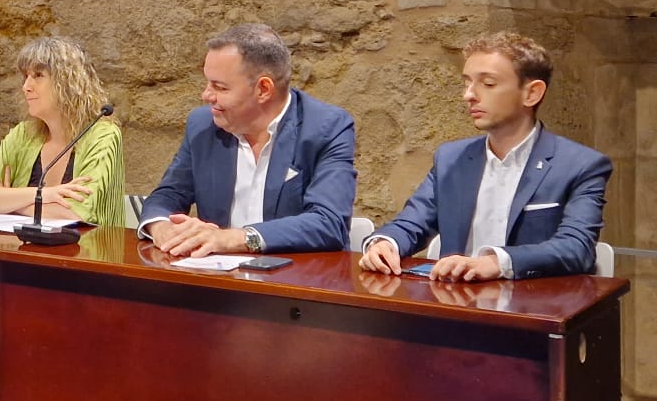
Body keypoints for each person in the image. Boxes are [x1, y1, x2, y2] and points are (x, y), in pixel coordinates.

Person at [360, 31, 611, 281]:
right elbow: (412, 223)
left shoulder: (581, 165)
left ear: (532, 93)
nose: (468, 95)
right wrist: (385, 243)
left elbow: (576, 248)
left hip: (533, 309)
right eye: (467, 82)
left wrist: (497, 262)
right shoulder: (451, 158)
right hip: (453, 306)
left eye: (488, 84)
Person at [138, 23, 357, 258]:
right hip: (218, 281)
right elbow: (167, 195)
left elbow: (328, 223)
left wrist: (234, 238)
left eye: (219, 87)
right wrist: (161, 227)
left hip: (296, 282)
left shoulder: (326, 128)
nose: (206, 96)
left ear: (263, 89)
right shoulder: (202, 125)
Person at [0, 36, 126, 228]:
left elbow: (75, 213)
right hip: (22, 251)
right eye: (26, 77)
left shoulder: (103, 135)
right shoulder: (24, 134)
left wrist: (8, 204)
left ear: (67, 83)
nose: (26, 87)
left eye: (38, 75)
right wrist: (43, 195)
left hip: (86, 252)